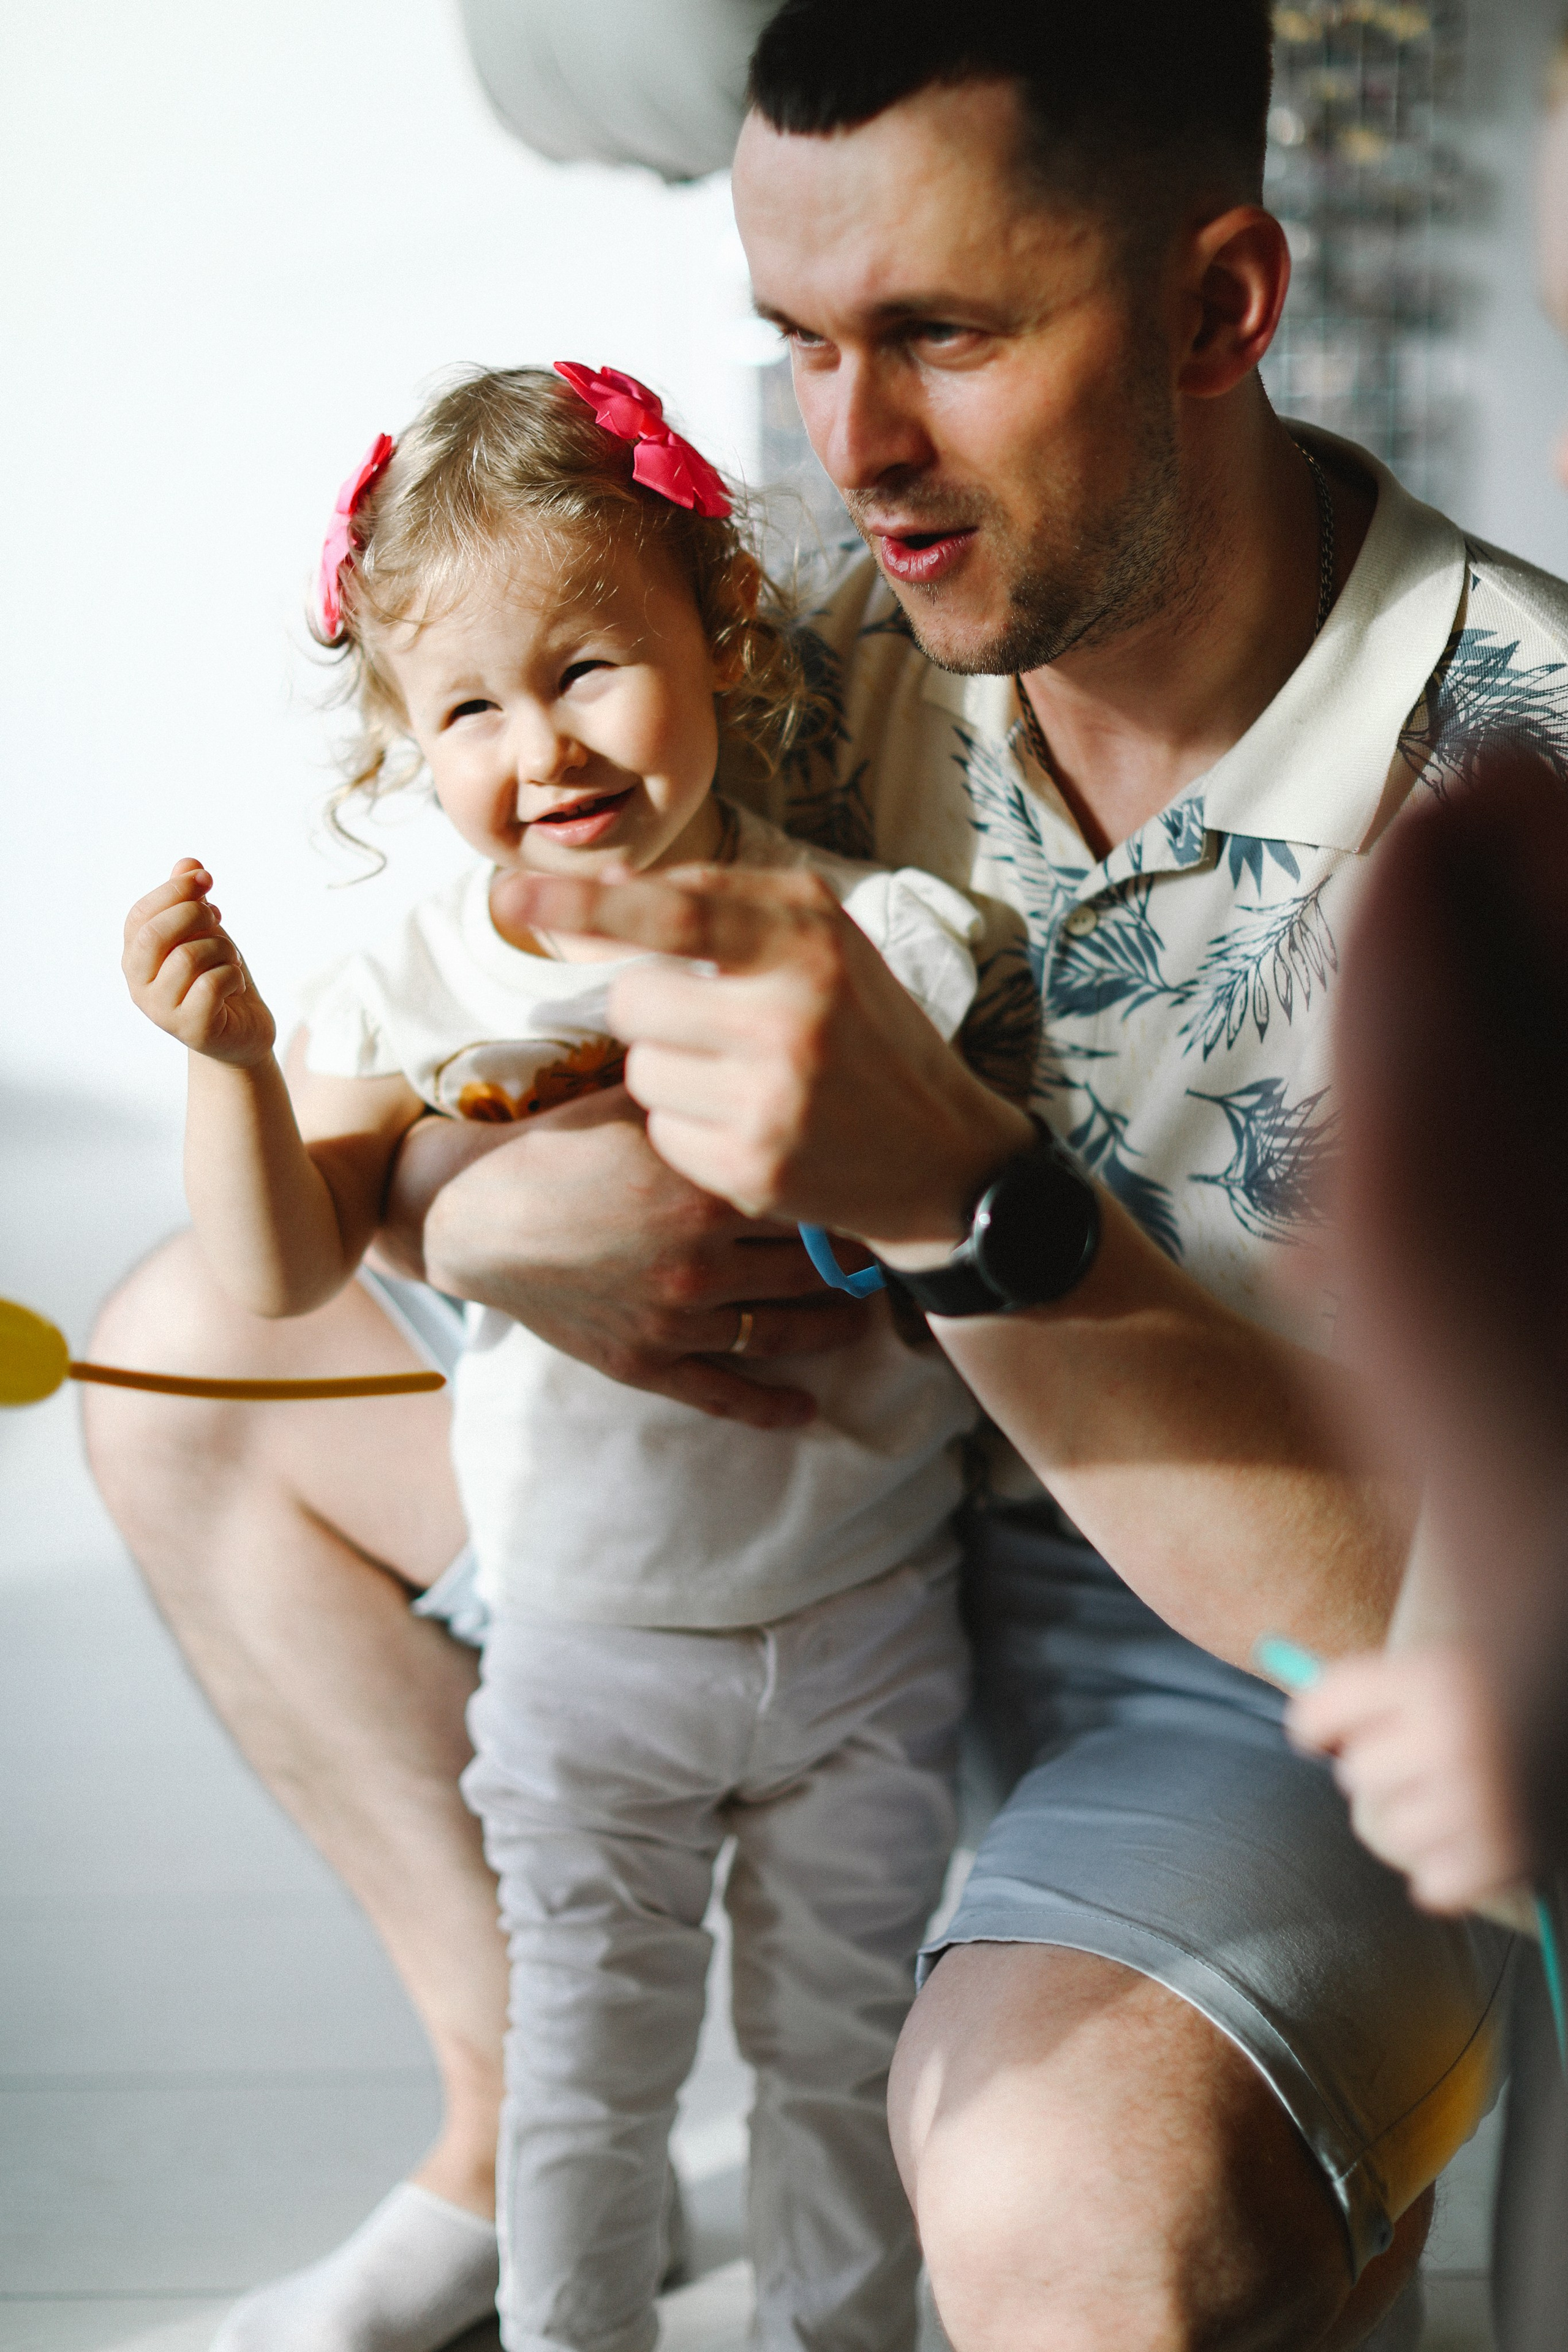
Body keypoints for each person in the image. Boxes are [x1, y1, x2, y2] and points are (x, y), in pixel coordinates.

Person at [80, 4, 1566, 2346]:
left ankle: (1231, 2106)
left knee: (1072, 2222)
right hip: (805, 1535)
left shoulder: (1523, 787)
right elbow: (462, 1025)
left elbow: (1470, 1623)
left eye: (940, 338)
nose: (855, 451)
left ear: (1220, 304)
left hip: (1229, 1669)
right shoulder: (804, 642)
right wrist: (480, 1222)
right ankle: (520, 2139)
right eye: (797, 345)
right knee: (172, 1359)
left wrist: (965, 1202)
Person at [118, 362, 1002, 2352]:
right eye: (468, 707)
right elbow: (274, 1277)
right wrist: (237, 1069)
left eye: (592, 664)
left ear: (724, 632)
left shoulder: (853, 935)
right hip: (595, 1654)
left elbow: (949, 1176)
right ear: (404, 744)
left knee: (839, 2083)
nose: (544, 744)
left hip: (868, 1629)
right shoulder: (407, 973)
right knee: (587, 2095)